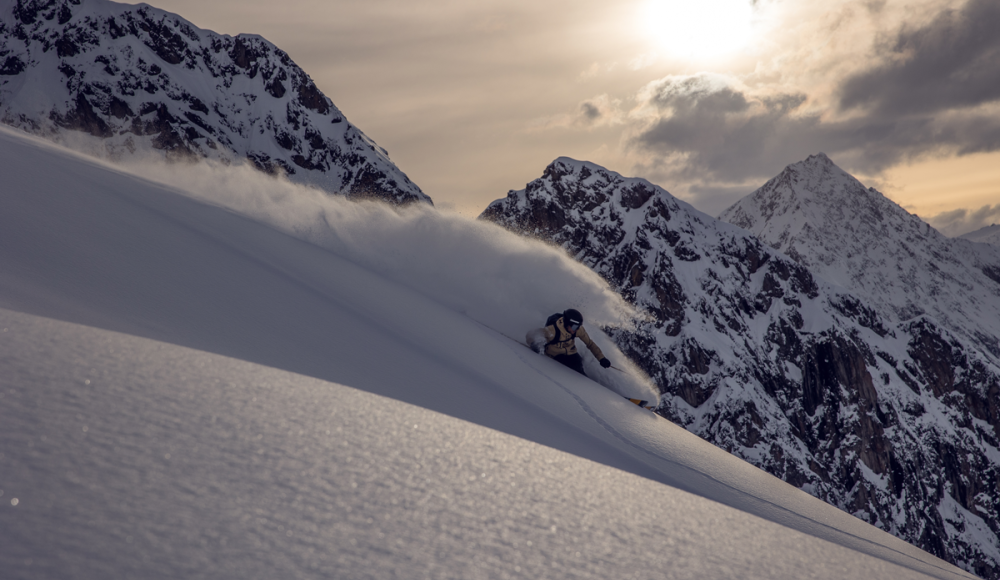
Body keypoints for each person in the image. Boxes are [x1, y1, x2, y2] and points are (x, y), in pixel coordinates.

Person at [526, 308, 611, 376]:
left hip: (571, 354)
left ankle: (585, 379)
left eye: (578, 326)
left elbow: (590, 344)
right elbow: (531, 334)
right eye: (574, 327)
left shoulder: (578, 330)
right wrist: (535, 344)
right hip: (556, 355)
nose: (577, 329)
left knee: (578, 363)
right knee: (573, 369)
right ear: (567, 324)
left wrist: (602, 358)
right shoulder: (553, 331)